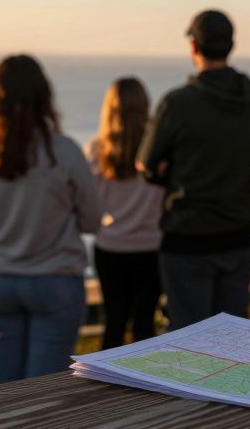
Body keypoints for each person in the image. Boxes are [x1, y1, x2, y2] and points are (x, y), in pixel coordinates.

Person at [0, 55, 101, 385]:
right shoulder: (63, 152)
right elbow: (92, 220)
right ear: (44, 95)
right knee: (43, 389)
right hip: (56, 280)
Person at [137, 9, 250, 329]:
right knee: (235, 336)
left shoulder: (178, 103)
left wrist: (175, 174)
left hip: (187, 237)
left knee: (187, 343)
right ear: (231, 45)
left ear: (194, 46)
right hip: (238, 236)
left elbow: (145, 164)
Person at [87, 77, 164, 349]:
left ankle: (106, 384)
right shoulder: (158, 149)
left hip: (110, 247)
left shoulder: (97, 151)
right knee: (145, 323)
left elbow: (91, 204)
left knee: (114, 322)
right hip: (151, 247)